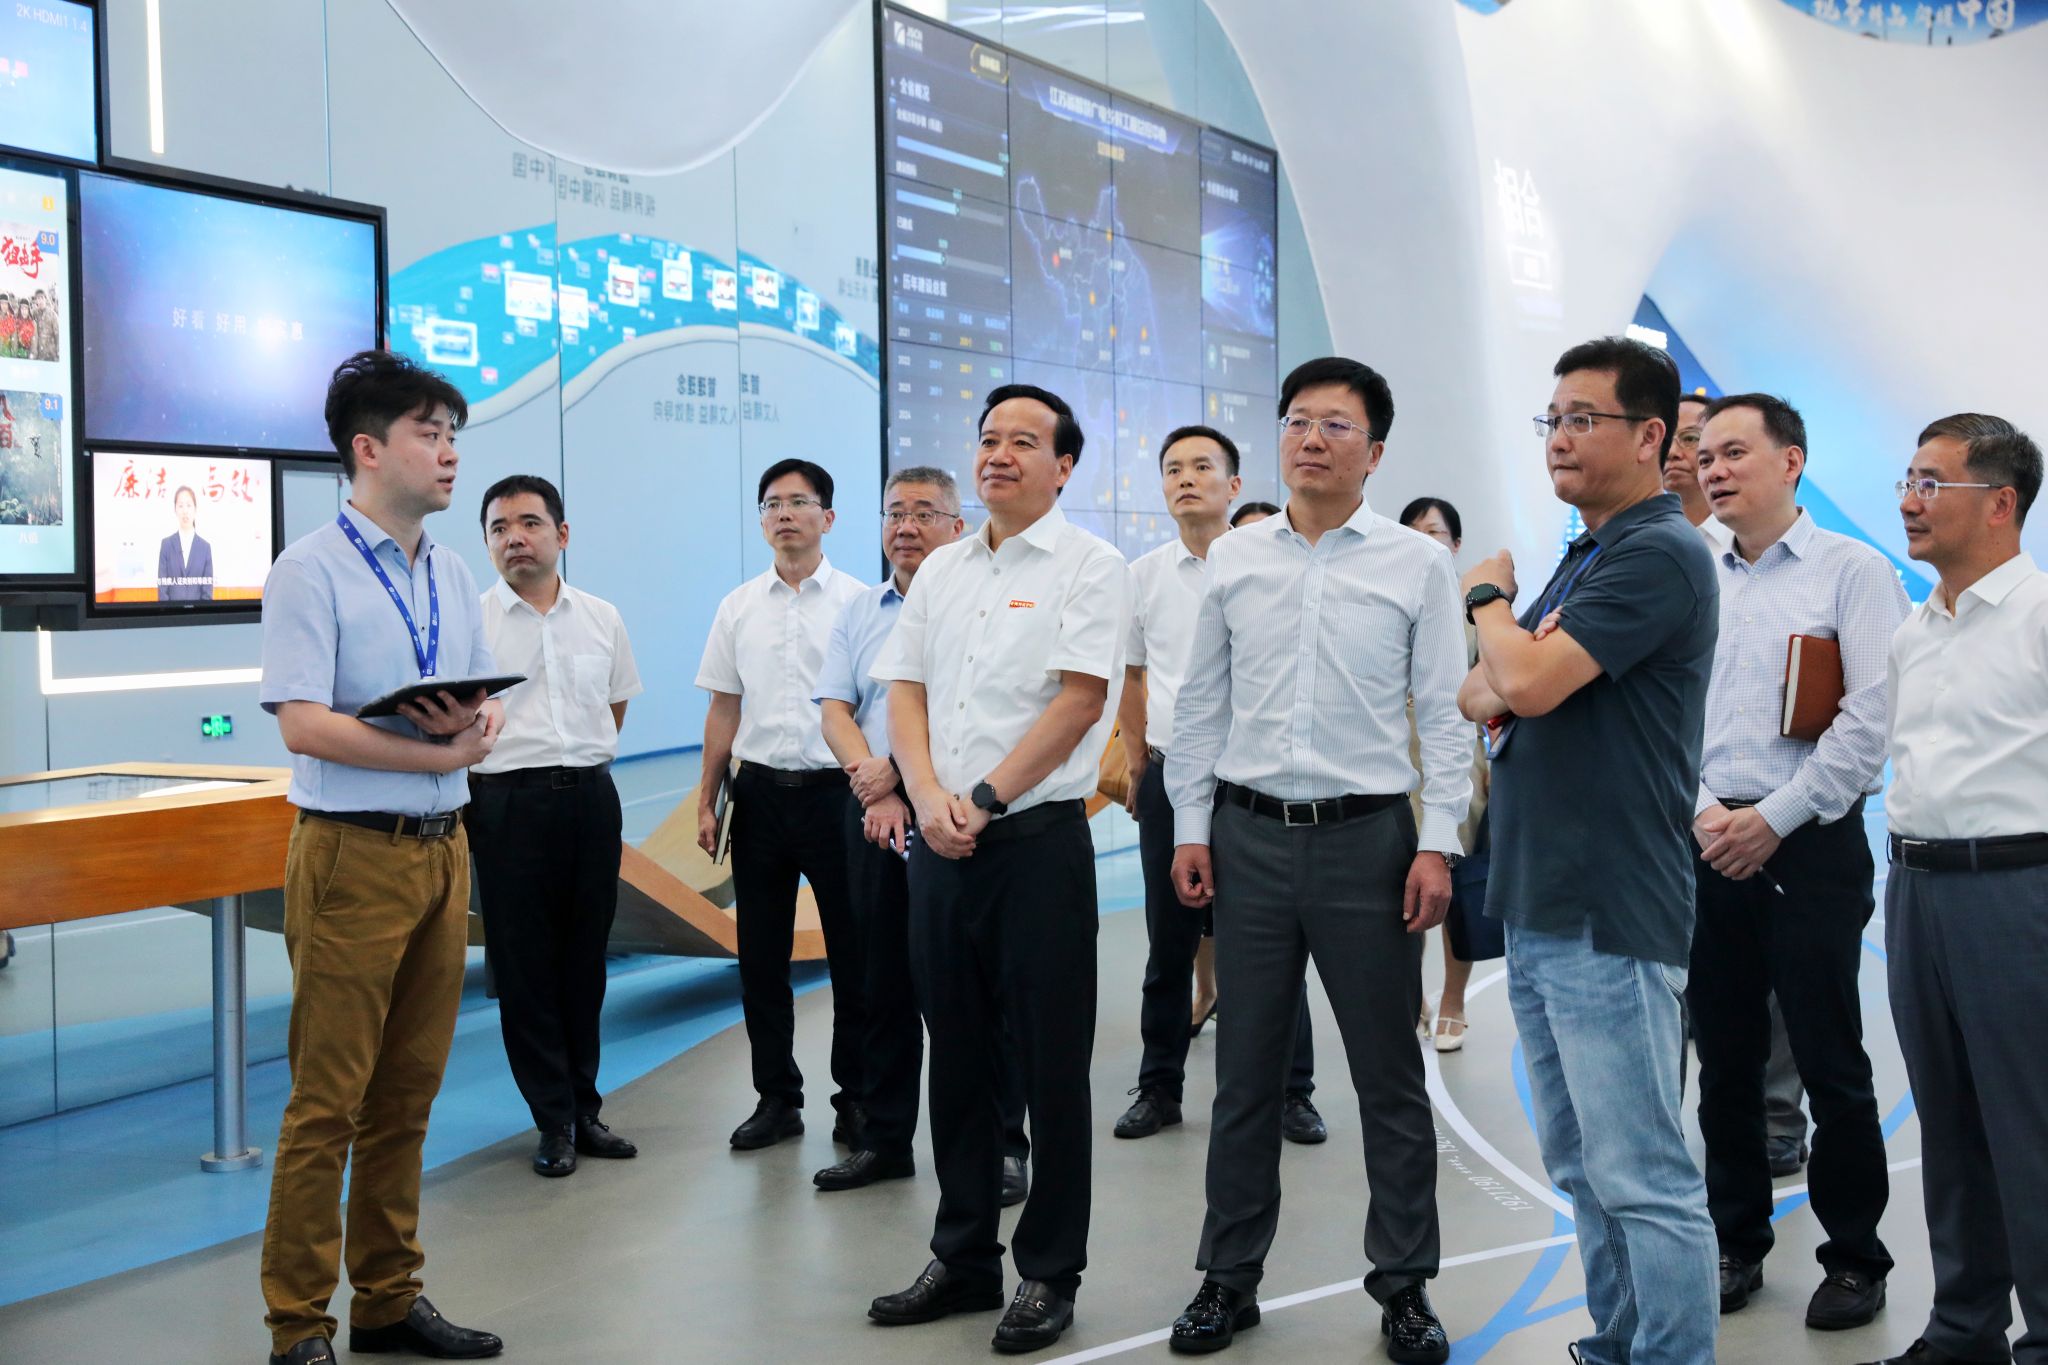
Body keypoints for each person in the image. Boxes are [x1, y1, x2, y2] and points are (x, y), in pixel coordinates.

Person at [1165, 357, 1469, 1361]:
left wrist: (1437, 843)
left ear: (1373, 452)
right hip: (1246, 840)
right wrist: (1192, 825)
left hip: (1368, 843)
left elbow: (1445, 715)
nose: (1311, 437)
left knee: (1388, 1077)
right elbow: (1200, 704)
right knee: (1244, 1077)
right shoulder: (1235, 559)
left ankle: (1404, 1286)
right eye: (1297, 419)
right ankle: (1227, 1277)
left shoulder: (1415, 565)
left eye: (1336, 424)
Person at [1458, 335, 1719, 1364]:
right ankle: (1618, 1342)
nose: (1559, 438)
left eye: (1582, 419)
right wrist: (1511, 656)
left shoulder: (1657, 551)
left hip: (1609, 907)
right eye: (1552, 419)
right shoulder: (1591, 550)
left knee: (1642, 1173)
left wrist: (1486, 600)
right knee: (1581, 1164)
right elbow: (1477, 691)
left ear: (1650, 436)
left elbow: (1517, 682)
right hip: (1543, 900)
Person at [867, 383, 1129, 1354]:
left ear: (1063, 465)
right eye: (987, 438)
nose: (998, 454)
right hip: (940, 847)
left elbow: (1078, 702)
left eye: (1023, 441)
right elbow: (904, 690)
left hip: (1034, 846)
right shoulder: (941, 569)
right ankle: (964, 1255)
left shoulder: (1090, 566)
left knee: (1051, 1065)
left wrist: (979, 798)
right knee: (958, 1055)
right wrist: (927, 791)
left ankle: (1049, 1271)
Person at [256, 350, 504, 1365]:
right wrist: (436, 752)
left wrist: (471, 728)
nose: (449, 453)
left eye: (452, 434)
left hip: (444, 851)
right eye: (427, 434)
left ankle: (388, 1299)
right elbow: (303, 724)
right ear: (367, 449)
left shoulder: (451, 571)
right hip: (351, 854)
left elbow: (475, 700)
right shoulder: (308, 568)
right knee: (328, 1101)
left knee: (406, 1095)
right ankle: (297, 1323)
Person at [1681, 394, 1905, 1329]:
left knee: (1828, 1054)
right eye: (1704, 455)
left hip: (1809, 842)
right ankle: (1735, 1242)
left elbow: (1870, 717)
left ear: (1791, 461)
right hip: (1704, 838)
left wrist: (1772, 818)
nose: (1713, 469)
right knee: (1725, 1061)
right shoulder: (1692, 567)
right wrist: (1706, 811)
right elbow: (1666, 711)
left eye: (1734, 451)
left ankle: (1854, 1256)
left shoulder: (1852, 570)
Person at [1858, 414, 2048, 1365]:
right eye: (1908, 479)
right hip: (1918, 888)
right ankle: (1965, 1327)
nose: (1909, 500)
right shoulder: (1914, 630)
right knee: (1950, 1117)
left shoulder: (2041, 616)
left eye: (1932, 483)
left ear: (2001, 502)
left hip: (2017, 889)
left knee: (2031, 1123)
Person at [808, 467, 1034, 1202]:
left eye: (923, 513)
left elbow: (977, 710)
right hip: (873, 811)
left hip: (958, 813)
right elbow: (836, 708)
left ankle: (1004, 1145)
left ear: (957, 524)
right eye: (894, 513)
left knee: (979, 990)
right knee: (878, 983)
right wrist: (874, 782)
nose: (905, 527)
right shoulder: (858, 609)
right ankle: (884, 1139)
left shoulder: (983, 600)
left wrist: (903, 782)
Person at [469, 473, 644, 1178]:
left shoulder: (601, 616)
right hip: (506, 804)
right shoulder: (472, 623)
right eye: (499, 528)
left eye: (530, 523)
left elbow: (614, 707)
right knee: (525, 967)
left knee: (584, 960)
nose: (515, 538)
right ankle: (552, 1119)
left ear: (561, 534)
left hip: (591, 801)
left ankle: (585, 1107)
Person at [694, 459, 868, 1151]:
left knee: (855, 957)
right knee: (760, 958)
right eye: (772, 503)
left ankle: (856, 1099)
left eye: (799, 501)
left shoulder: (860, 602)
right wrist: (707, 799)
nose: (784, 513)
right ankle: (776, 1098)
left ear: (828, 517)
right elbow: (723, 708)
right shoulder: (738, 607)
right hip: (760, 797)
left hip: (840, 798)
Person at [1112, 424, 1244, 1140]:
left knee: (1267, 943)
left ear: (1234, 484)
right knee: (1168, 944)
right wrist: (1138, 763)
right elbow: (1132, 676)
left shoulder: (1263, 562)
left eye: (1201, 466)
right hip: (1170, 774)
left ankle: (1291, 1090)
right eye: (1172, 469)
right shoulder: (1142, 575)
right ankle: (1159, 1087)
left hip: (1251, 781)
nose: (1185, 478)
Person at [1396, 495, 1490, 1055]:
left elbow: (1499, 693)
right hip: (1395, 764)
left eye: (1434, 532)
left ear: (1455, 545)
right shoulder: (1388, 597)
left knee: (1455, 889)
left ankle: (1453, 1000)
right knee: (1398, 891)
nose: (1423, 541)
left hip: (1460, 762)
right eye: (1412, 531)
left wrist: (1494, 767)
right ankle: (1411, 999)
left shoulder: (1477, 611)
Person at [157, 485, 216, 601]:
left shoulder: (205, 548)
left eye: (189, 505)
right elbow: (162, 590)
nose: (185, 511)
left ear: (195, 509)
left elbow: (207, 592)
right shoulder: (166, 545)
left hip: (198, 612)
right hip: (171, 611)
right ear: (175, 510)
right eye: (180, 506)